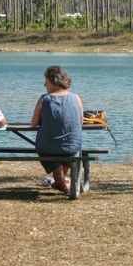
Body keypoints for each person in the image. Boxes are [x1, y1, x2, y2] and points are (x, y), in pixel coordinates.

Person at [30, 66, 83, 194]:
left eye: (46, 81)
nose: (44, 85)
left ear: (53, 81)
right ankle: (61, 183)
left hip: (48, 147)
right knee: (65, 152)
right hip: (72, 146)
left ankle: (63, 187)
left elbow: (33, 124)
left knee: (52, 150)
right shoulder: (76, 98)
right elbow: (80, 122)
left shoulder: (44, 99)